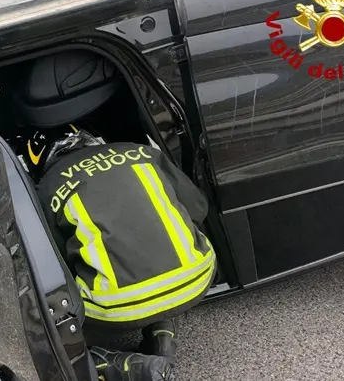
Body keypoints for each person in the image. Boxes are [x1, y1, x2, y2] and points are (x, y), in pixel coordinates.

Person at [17, 123, 216, 381]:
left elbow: (54, 267)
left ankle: (121, 365)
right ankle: (162, 331)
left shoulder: (46, 189)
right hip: (196, 277)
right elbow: (198, 207)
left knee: (48, 328)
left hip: (119, 308)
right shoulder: (143, 153)